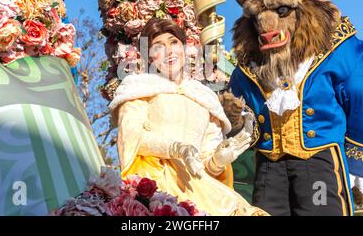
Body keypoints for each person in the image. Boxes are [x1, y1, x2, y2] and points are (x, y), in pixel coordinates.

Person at [109, 18, 267, 216]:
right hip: (158, 182)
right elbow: (132, 139)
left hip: (199, 186)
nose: (169, 51)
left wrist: (218, 160)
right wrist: (176, 148)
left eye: (173, 42)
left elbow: (205, 163)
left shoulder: (203, 96)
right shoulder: (138, 88)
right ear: (149, 57)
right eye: (158, 46)